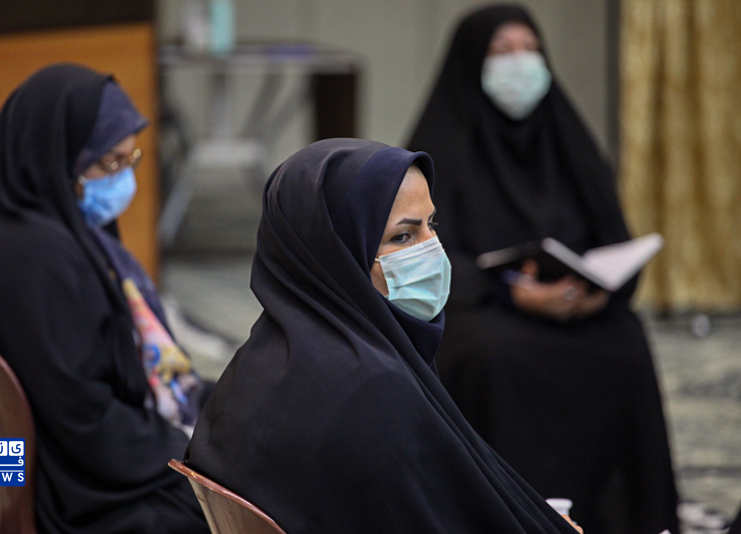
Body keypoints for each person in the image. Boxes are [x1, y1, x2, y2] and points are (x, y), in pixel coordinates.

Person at [184, 138, 583, 534]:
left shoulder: (262, 359)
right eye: (402, 237)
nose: (433, 250)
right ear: (335, 255)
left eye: (431, 224)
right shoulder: (369, 390)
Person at [406, 5, 679, 534]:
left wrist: (602, 291)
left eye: (530, 49)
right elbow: (422, 252)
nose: (520, 63)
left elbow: (614, 237)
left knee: (626, 342)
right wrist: (510, 292)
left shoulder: (568, 140)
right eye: (502, 51)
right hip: (484, 307)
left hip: (578, 306)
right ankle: (509, 515)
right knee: (493, 354)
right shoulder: (442, 147)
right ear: (471, 63)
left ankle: (622, 518)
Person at [0, 64, 210, 534]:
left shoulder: (2, 223)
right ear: (56, 157)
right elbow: (85, 415)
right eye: (109, 163)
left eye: (130, 159)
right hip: (77, 492)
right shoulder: (37, 263)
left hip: (40, 461)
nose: (124, 179)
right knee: (250, 499)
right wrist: (188, 451)